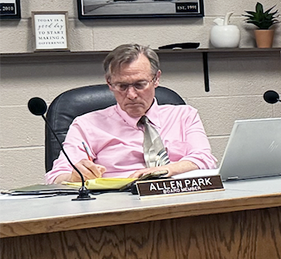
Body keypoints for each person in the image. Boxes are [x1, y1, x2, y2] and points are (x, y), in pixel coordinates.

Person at [46, 44, 216, 183]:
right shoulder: (87, 125)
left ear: (156, 79)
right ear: (109, 83)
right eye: (122, 86)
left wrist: (163, 171)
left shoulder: (184, 116)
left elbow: (204, 159)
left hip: (178, 199)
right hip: (117, 208)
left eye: (140, 84)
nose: (132, 95)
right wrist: (74, 177)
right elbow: (55, 177)